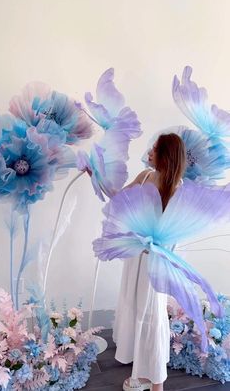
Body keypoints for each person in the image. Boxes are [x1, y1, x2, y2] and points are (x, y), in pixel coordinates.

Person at [113, 133, 186, 391]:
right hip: (136, 258)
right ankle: (142, 372)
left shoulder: (177, 192)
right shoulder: (145, 176)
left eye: (155, 150)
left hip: (155, 264)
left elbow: (174, 240)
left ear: (165, 156)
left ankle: (157, 383)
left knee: (152, 316)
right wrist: (96, 176)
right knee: (134, 308)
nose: (150, 153)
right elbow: (119, 197)